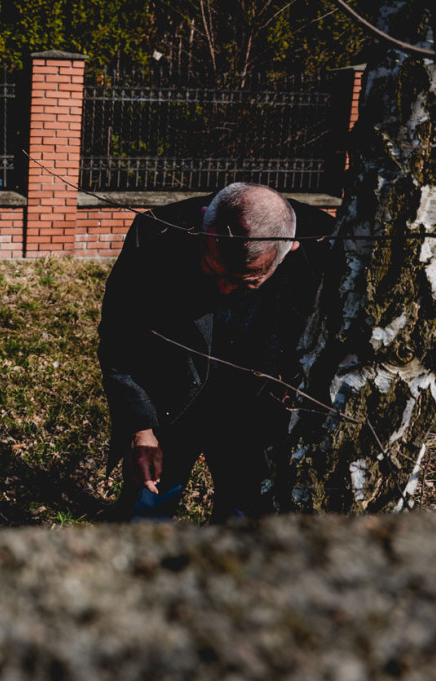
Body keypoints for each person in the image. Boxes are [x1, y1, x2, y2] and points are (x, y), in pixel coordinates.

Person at [97, 182, 336, 522]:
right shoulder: (156, 234)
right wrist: (140, 427)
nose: (224, 289)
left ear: (290, 249)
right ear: (203, 221)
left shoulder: (326, 246)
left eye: (247, 281)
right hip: (170, 403)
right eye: (212, 270)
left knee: (240, 528)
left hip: (258, 413)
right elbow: (120, 338)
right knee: (143, 517)